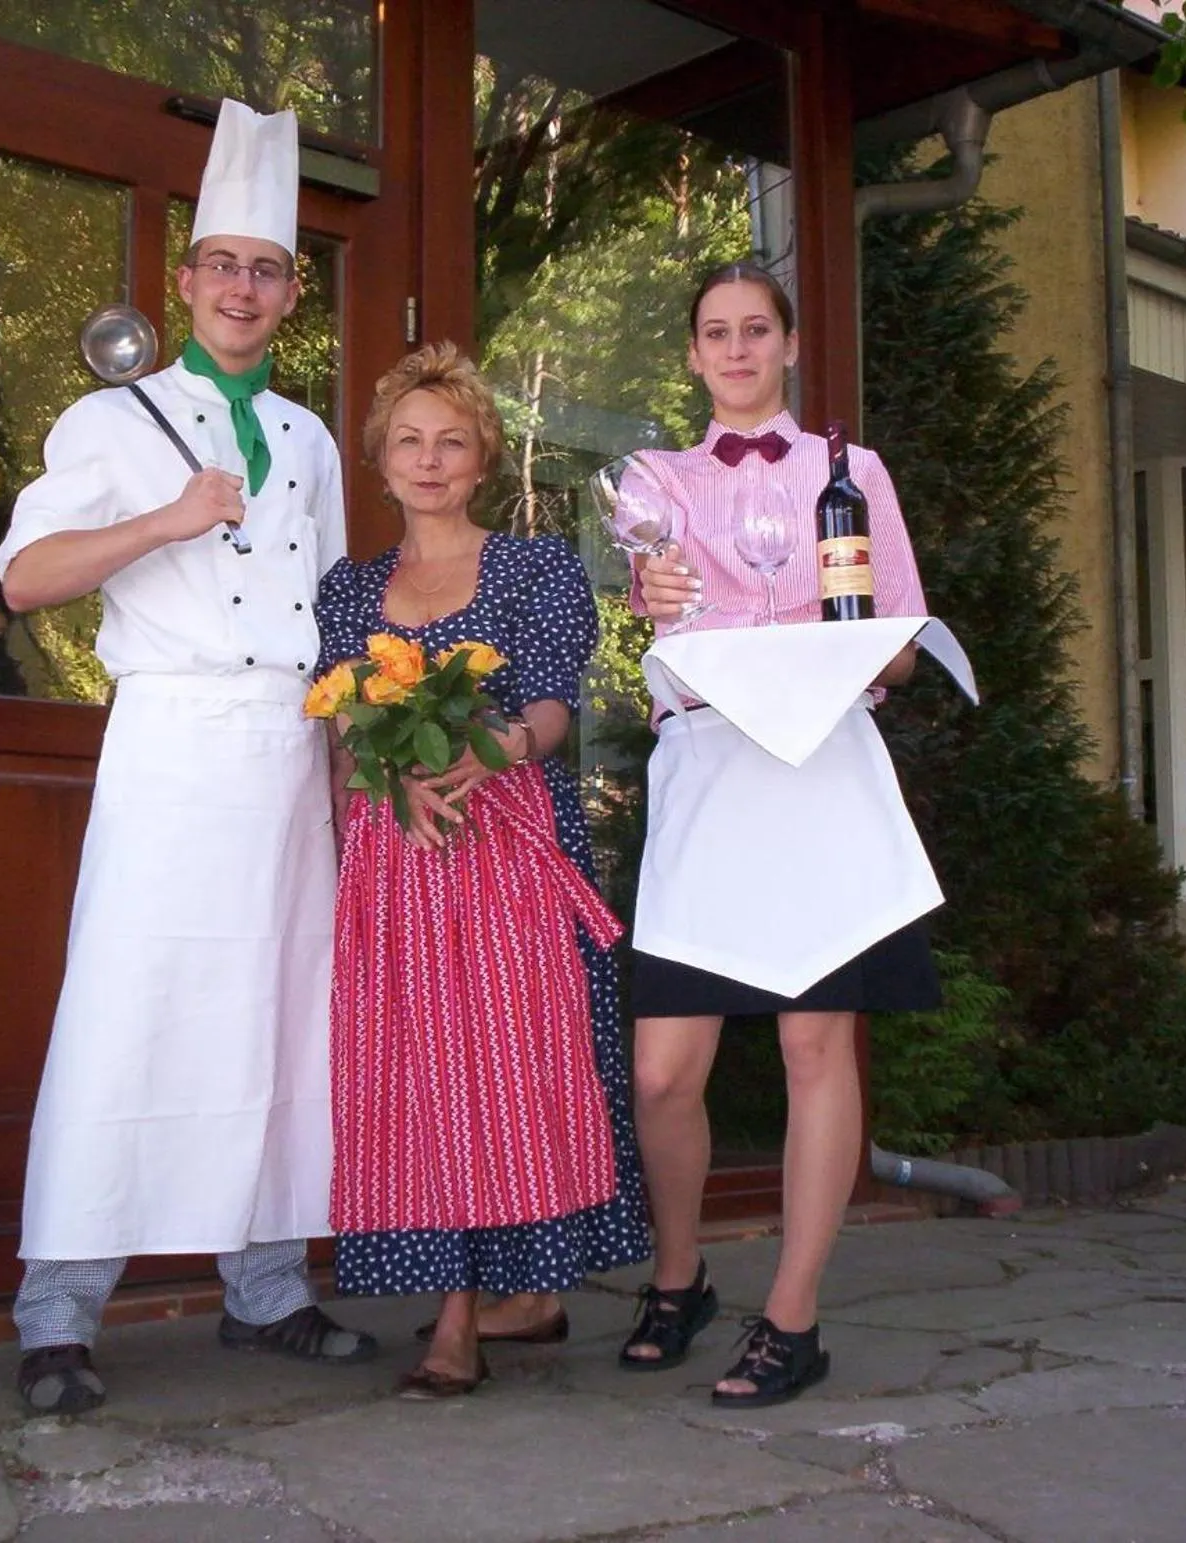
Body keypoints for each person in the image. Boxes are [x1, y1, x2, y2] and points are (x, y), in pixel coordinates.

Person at [0, 99, 375, 1416]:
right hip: (166, 741)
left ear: (288, 293)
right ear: (189, 278)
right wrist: (166, 516)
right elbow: (27, 573)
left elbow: (331, 615)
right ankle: (57, 1311)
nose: (244, 287)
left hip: (284, 749)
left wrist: (337, 754)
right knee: (130, 1006)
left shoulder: (316, 440)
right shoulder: (113, 421)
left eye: (267, 269)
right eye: (224, 264)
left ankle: (266, 1285)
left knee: (279, 1013)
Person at [620, 260, 937, 1408]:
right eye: (717, 332)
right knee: (662, 1070)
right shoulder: (652, 481)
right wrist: (652, 599)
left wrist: (839, 638)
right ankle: (679, 1272)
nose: (738, 348)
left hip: (822, 775)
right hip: (708, 775)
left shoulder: (852, 475)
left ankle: (793, 1315)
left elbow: (897, 649)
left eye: (758, 328)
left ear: (790, 345)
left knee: (817, 1049)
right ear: (696, 355)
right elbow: (653, 626)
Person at [313, 343, 651, 1397]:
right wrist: (381, 793)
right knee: (421, 1081)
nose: (428, 459)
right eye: (408, 441)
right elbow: (339, 732)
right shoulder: (350, 589)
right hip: (397, 859)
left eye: (450, 441)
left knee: (502, 1074)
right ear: (379, 460)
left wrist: (486, 750)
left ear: (481, 460)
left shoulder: (534, 568)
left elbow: (553, 705)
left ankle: (472, 1318)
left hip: (505, 849)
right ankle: (490, 1298)